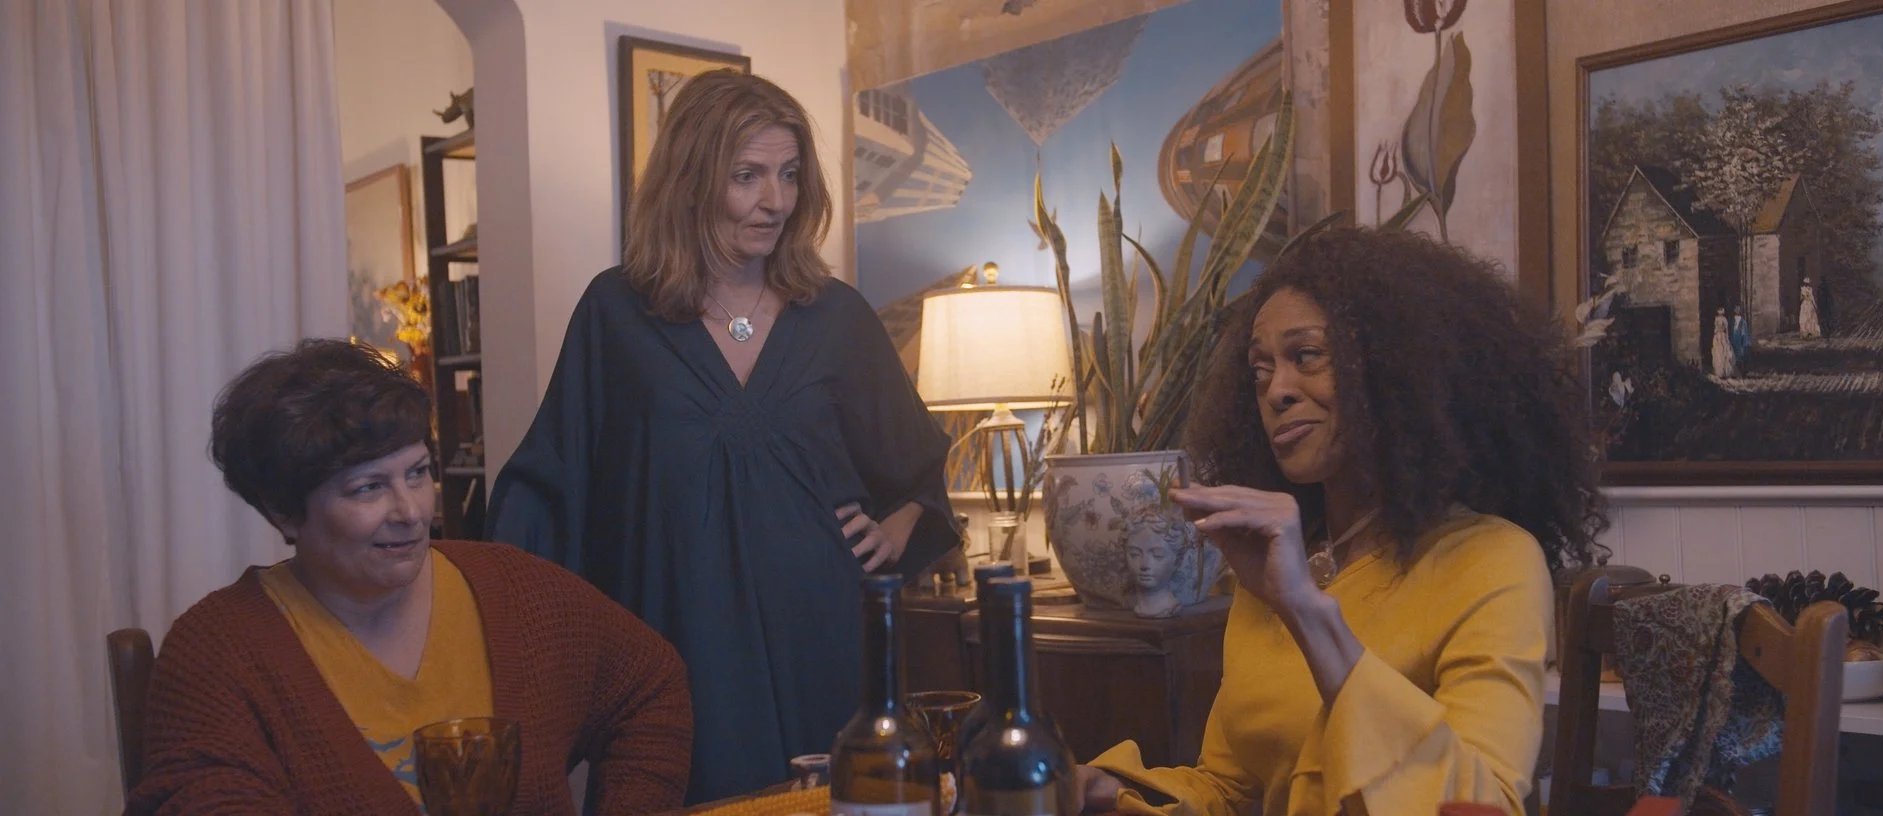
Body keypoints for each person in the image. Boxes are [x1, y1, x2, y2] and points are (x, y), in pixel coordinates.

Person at [485, 70, 960, 803]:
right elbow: (551, 485)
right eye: (747, 176)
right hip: (678, 641)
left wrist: (899, 526)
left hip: (826, 634)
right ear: (692, 178)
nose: (775, 201)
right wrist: (466, 597)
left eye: (789, 175)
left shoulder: (836, 316)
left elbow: (919, 470)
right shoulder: (617, 313)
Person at [1074, 227, 1607, 816]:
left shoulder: (1492, 562)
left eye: (1307, 357)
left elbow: (1480, 803)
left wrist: (1305, 611)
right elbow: (1228, 790)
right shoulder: (1273, 565)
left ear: (1392, 370)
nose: (1277, 390)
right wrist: (1111, 795)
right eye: (1260, 370)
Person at [127, 339, 693, 815]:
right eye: (368, 487)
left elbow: (648, 685)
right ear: (283, 511)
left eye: (418, 473)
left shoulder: (515, 590)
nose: (411, 510)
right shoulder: (219, 652)